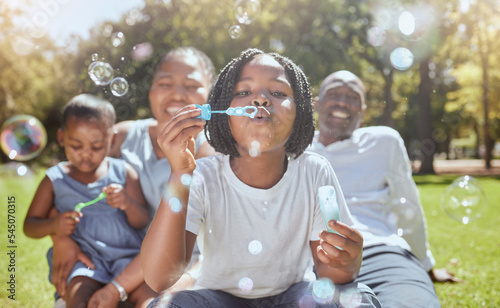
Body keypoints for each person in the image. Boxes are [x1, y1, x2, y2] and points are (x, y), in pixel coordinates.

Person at [141, 48, 381, 307]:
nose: (261, 100)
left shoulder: (315, 172)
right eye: (244, 92)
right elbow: (159, 279)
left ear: (300, 112)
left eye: (278, 93)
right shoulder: (202, 176)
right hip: (220, 299)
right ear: (223, 111)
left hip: (296, 297)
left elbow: (331, 274)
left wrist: (347, 263)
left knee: (353, 298)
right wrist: (179, 173)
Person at [48, 47, 216, 306]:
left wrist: (115, 289)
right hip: (118, 257)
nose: (177, 94)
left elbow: (215, 249)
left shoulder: (210, 158)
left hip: (176, 268)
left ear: (209, 96)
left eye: (192, 85)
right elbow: (65, 183)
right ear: (150, 89)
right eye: (165, 82)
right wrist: (61, 240)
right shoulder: (123, 137)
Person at [309, 70, 459, 308]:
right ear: (316, 104)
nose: (341, 101)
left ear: (364, 111)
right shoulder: (294, 149)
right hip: (310, 260)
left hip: (379, 253)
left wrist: (426, 265)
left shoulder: (384, 142)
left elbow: (408, 206)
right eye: (334, 93)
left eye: (352, 96)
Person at [23, 94, 156, 307]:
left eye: (96, 147)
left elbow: (141, 221)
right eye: (76, 145)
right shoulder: (55, 179)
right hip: (86, 263)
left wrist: (127, 203)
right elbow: (29, 226)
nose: (86, 154)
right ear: (61, 138)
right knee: (78, 297)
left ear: (111, 140)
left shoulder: (124, 172)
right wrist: (54, 225)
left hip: (128, 260)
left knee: (150, 299)